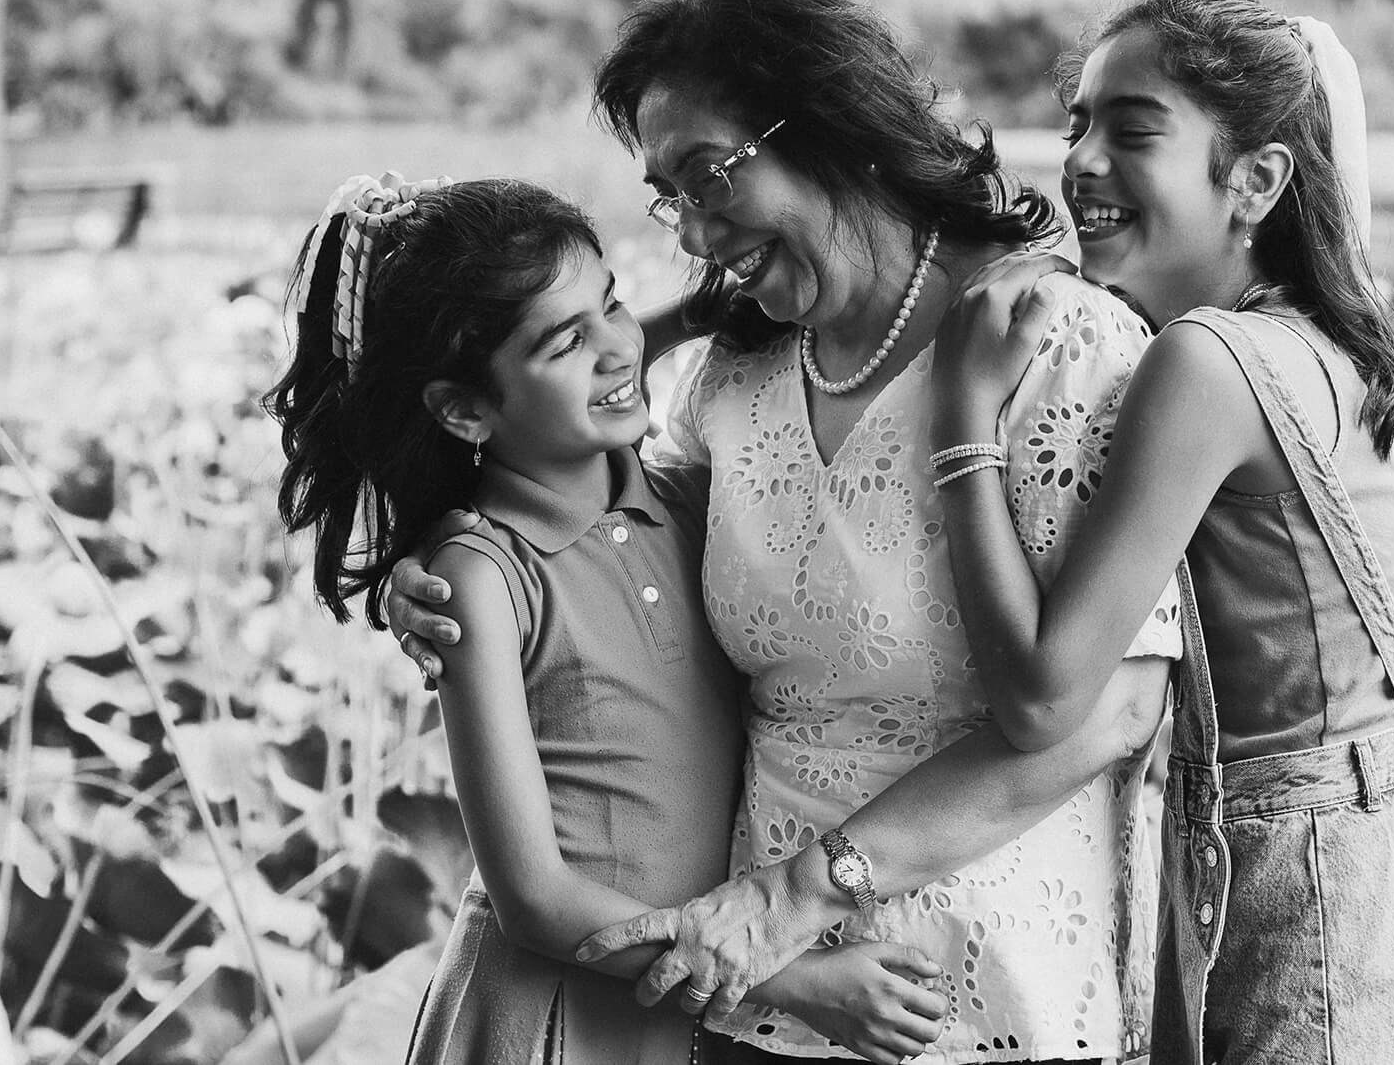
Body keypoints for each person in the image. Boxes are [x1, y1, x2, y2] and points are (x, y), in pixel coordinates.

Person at [389, 0, 1186, 1064]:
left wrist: (806, 895)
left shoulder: (1051, 342)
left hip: (975, 997)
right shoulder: (734, 376)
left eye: (711, 177)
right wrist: (439, 551)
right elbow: (594, 537)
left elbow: (1112, 710)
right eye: (672, 198)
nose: (696, 236)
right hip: (748, 1001)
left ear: (830, 123)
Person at [927, 0, 1394, 1062]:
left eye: (1132, 129)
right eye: (1075, 127)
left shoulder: (1205, 362)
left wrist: (961, 423)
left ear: (1255, 181)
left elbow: (1045, 698)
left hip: (1306, 897)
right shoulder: (1319, 337)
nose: (1082, 161)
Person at [264, 172, 952, 1065]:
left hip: (675, 1016)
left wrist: (692, 318)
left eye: (615, 303)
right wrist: (789, 977)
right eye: (564, 342)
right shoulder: (480, 576)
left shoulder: (686, 501)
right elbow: (535, 899)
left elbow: (605, 359)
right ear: (464, 410)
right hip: (551, 1022)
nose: (618, 348)